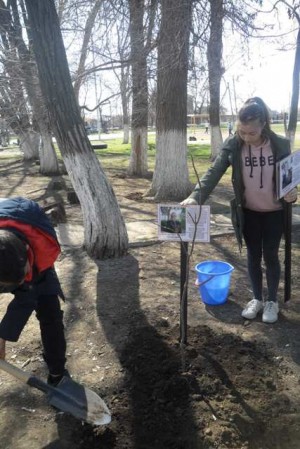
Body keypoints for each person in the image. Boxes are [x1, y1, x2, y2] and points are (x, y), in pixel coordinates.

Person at [181, 97, 298, 324]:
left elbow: (289, 179)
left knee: (271, 256)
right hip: (248, 213)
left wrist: (293, 193)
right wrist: (196, 197)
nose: (246, 137)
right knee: (253, 256)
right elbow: (214, 171)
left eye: (251, 133)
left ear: (263, 124)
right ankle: (257, 299)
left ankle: (271, 301)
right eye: (241, 131)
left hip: (275, 213)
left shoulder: (280, 145)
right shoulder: (234, 144)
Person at [0, 197, 69, 386]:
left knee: (50, 315)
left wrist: (2, 336)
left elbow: (26, 299)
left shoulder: (43, 251)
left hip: (36, 262)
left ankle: (57, 373)